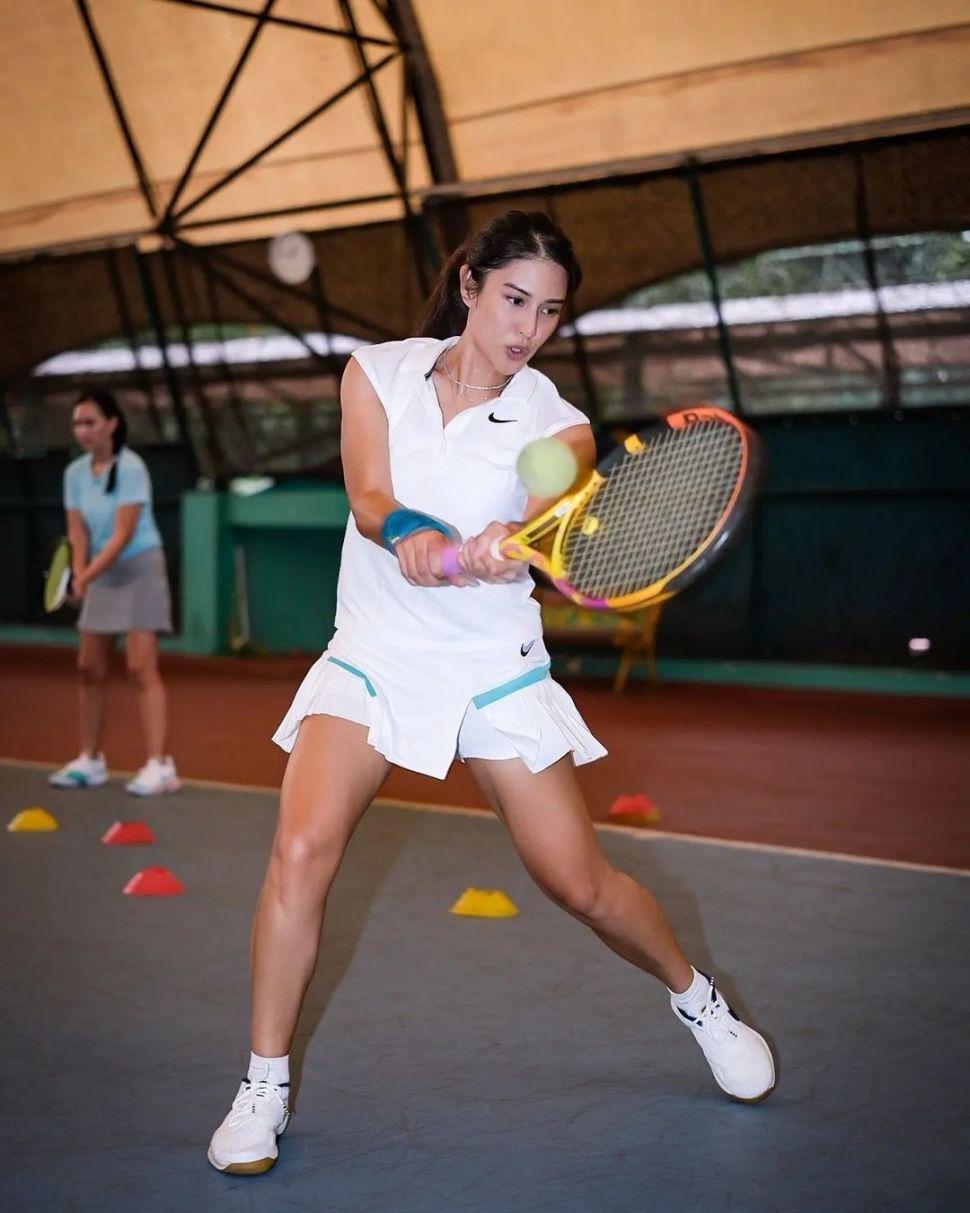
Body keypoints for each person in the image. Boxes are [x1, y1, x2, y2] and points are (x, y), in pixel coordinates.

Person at [207, 211, 775, 1176]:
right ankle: (262, 1087)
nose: (526, 328)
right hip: (376, 654)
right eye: (514, 299)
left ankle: (697, 998)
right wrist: (416, 535)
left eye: (548, 313)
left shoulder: (558, 426)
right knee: (299, 851)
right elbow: (369, 495)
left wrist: (499, 541)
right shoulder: (375, 373)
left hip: (492, 666)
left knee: (579, 882)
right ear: (469, 285)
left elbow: (548, 510)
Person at [49, 391, 181, 797]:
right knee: (88, 666)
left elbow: (123, 534)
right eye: (77, 424)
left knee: (142, 667)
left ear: (111, 423)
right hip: (100, 570)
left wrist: (84, 577)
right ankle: (90, 760)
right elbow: (77, 532)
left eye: (90, 422)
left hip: (140, 567)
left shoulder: (132, 467)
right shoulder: (74, 474)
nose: (83, 431)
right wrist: (79, 571)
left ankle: (160, 765)